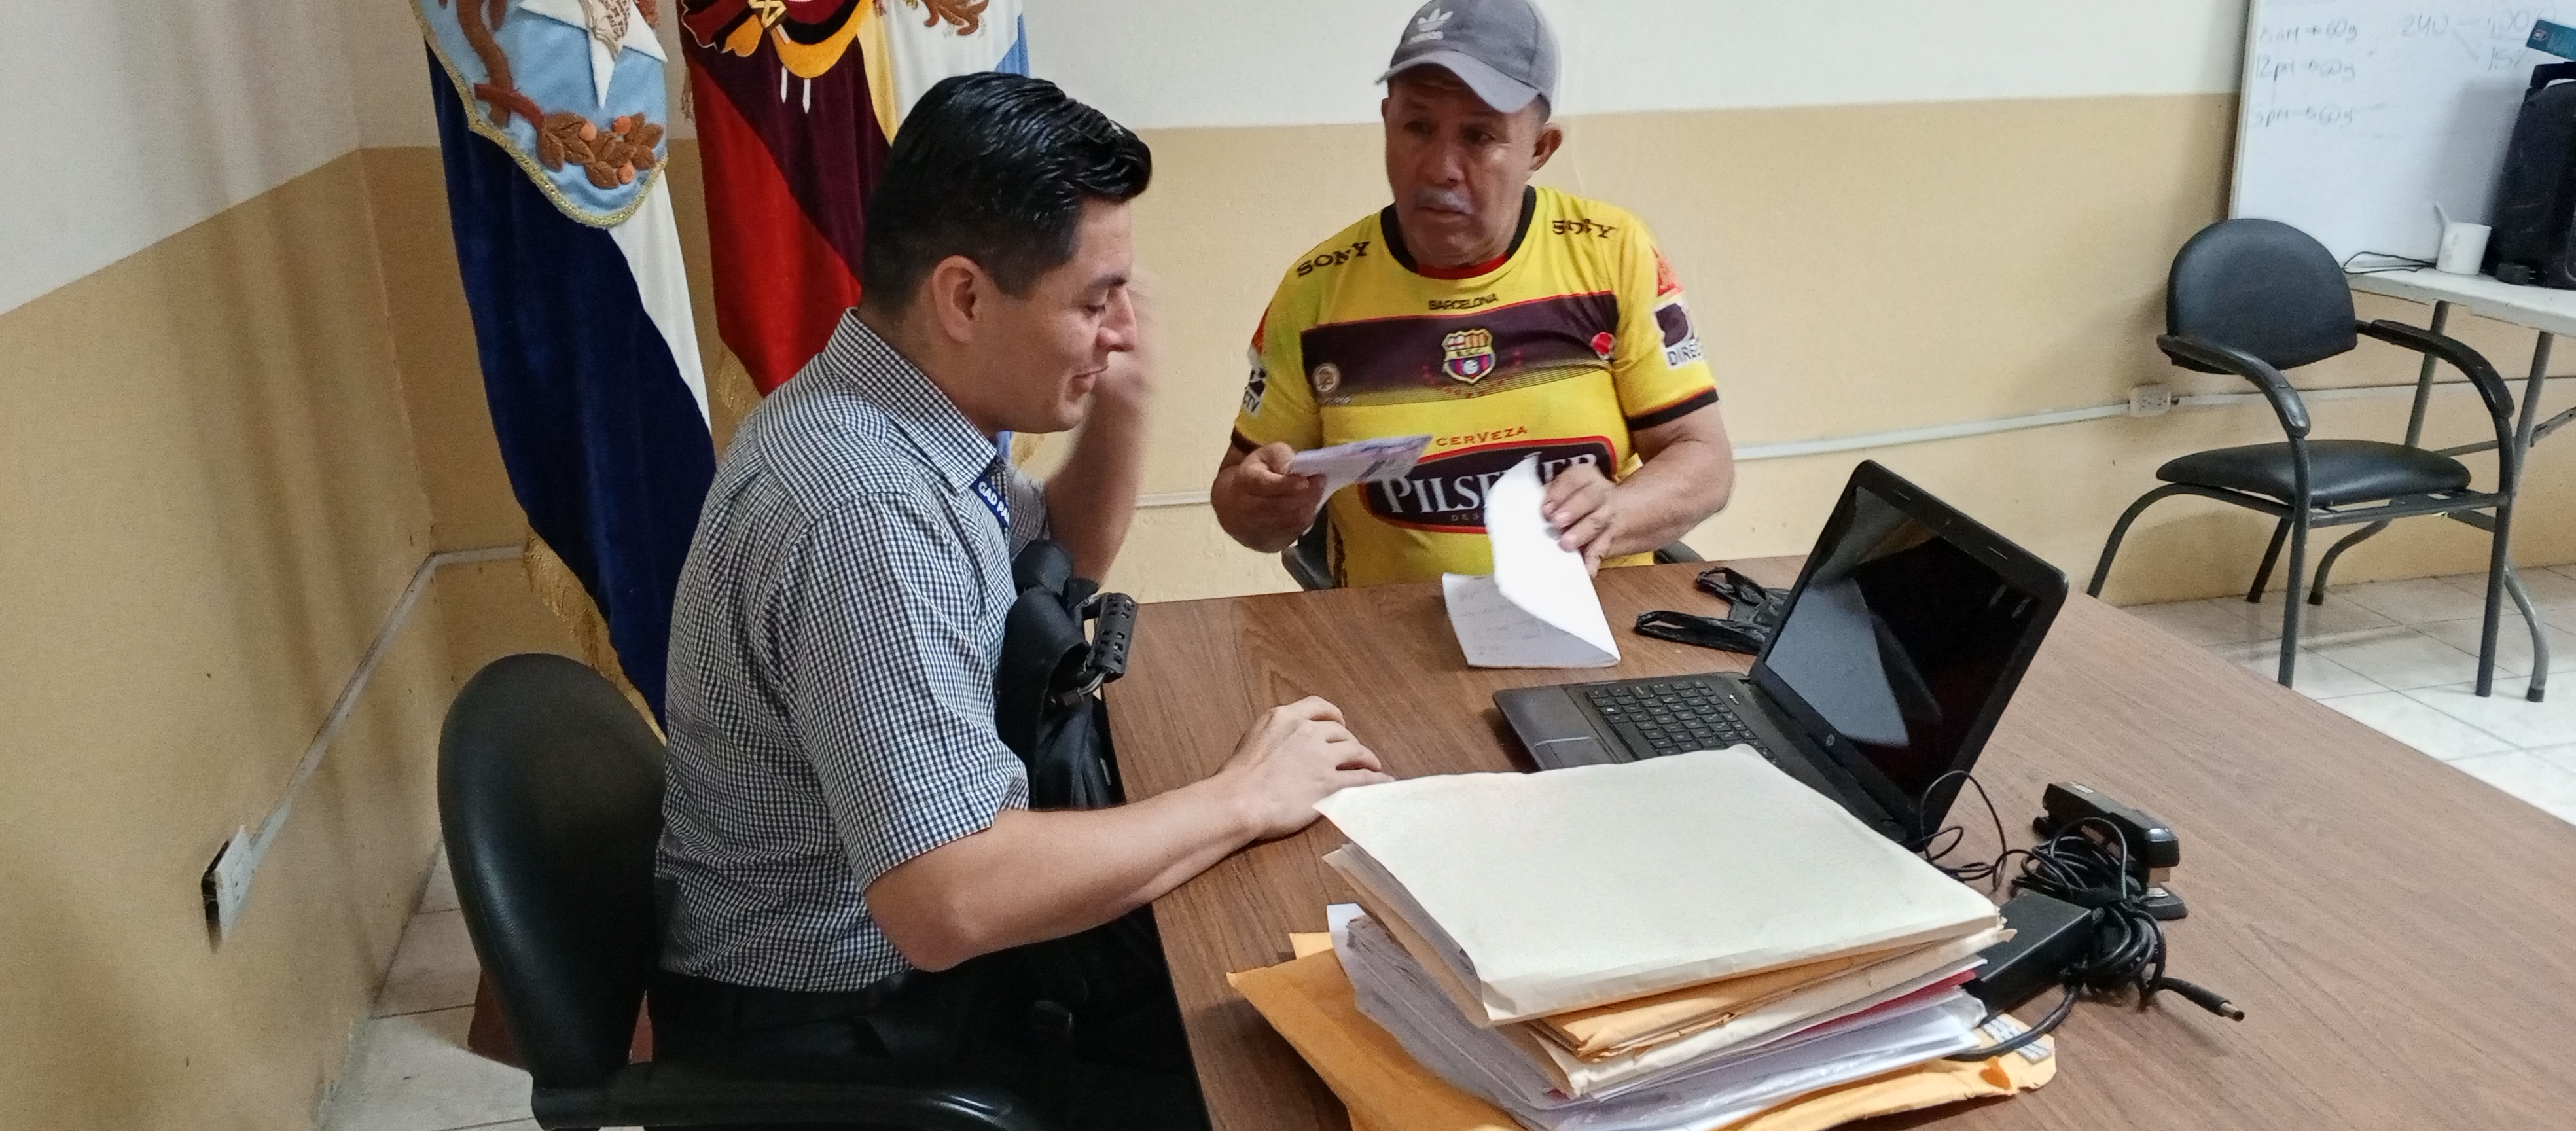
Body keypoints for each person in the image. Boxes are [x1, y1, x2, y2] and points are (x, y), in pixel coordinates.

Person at [650, 72, 1389, 1130]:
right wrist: (1239, 797)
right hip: (847, 1034)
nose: (1117, 328)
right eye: (1093, 302)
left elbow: (1054, 561)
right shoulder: (865, 508)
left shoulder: (900, 416)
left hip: (898, 977)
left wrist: (1120, 400)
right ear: (963, 298)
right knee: (1273, 1078)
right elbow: (950, 898)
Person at [1211, 0, 1738, 589]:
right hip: (1387, 636)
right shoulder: (1316, 290)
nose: (1440, 167)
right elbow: (1240, 501)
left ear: (1539, 149)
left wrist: (1618, 513)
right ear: (1387, 122)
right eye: (1418, 127)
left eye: (1479, 136)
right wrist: (1262, 506)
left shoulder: (1612, 254)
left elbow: (1704, 459)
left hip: (1598, 628)